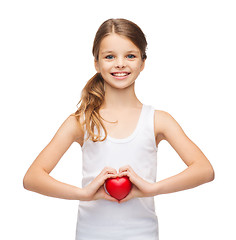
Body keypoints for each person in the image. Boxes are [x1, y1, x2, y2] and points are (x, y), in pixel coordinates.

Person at [23, 18, 215, 240]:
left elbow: (204, 169)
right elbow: (32, 177)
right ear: (96, 63)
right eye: (110, 56)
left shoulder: (158, 120)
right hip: (90, 235)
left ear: (143, 63)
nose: (120, 63)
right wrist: (84, 194)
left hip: (142, 234)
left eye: (130, 55)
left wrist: (151, 189)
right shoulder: (80, 122)